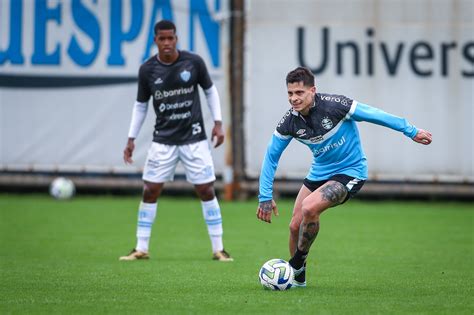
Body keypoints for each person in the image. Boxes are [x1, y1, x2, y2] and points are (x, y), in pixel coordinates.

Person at [256, 67, 432, 286]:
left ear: (313, 90)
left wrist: (411, 131)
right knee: (294, 226)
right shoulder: (289, 122)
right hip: (320, 172)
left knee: (310, 207)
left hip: (351, 172)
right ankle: (298, 279)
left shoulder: (336, 106)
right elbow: (271, 155)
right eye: (290, 93)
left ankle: (296, 263)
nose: (294, 98)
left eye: (299, 93)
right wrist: (264, 195)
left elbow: (376, 115)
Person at [119, 20, 232, 262]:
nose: (167, 43)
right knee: (150, 190)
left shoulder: (194, 62)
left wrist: (219, 123)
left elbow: (210, 91)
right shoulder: (147, 70)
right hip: (163, 140)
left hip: (194, 139)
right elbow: (140, 106)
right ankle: (141, 248)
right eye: (162, 39)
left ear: (176, 38)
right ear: (155, 41)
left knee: (205, 189)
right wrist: (131, 139)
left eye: (171, 38)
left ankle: (219, 249)